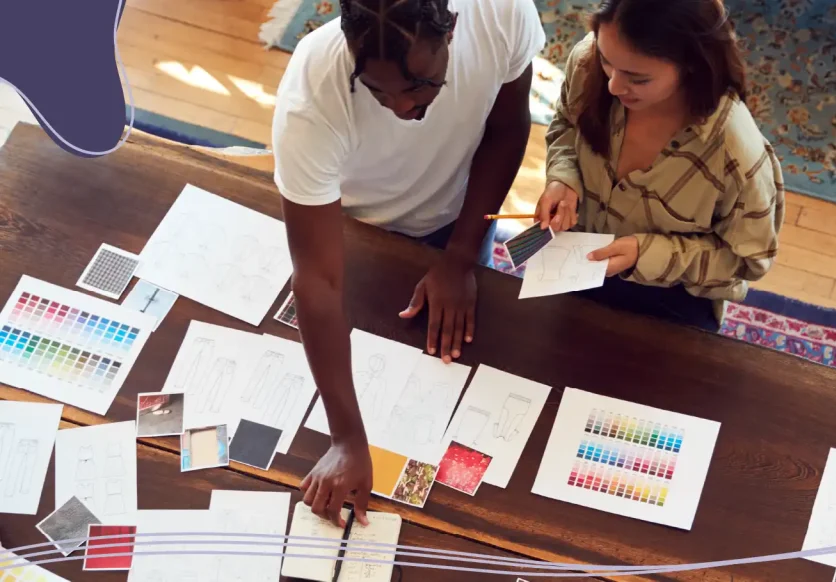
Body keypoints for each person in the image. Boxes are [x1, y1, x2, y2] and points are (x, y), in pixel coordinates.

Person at [272, 0, 545, 525]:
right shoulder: (312, 92)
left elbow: (509, 128)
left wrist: (461, 256)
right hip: (353, 232)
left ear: (454, 31)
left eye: (421, 85)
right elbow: (319, 282)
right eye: (377, 91)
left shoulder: (500, 11)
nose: (401, 108)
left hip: (461, 218)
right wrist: (347, 438)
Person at [535, 0, 784, 331]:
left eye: (638, 79)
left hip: (671, 293)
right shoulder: (586, 63)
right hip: (576, 256)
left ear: (692, 65)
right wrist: (562, 178)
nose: (613, 85)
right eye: (607, 61)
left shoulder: (735, 154)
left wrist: (646, 254)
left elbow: (747, 261)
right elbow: (566, 123)